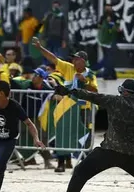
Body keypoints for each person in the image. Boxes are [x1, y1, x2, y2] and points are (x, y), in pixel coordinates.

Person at [32, 37, 98, 173]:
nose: (73, 61)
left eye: (76, 59)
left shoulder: (90, 74)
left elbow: (95, 91)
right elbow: (53, 59)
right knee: (63, 133)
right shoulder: (68, 68)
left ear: (83, 61)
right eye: (73, 59)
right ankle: (62, 162)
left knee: (84, 136)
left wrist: (84, 81)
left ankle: (85, 163)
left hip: (84, 109)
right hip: (67, 108)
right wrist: (40, 48)